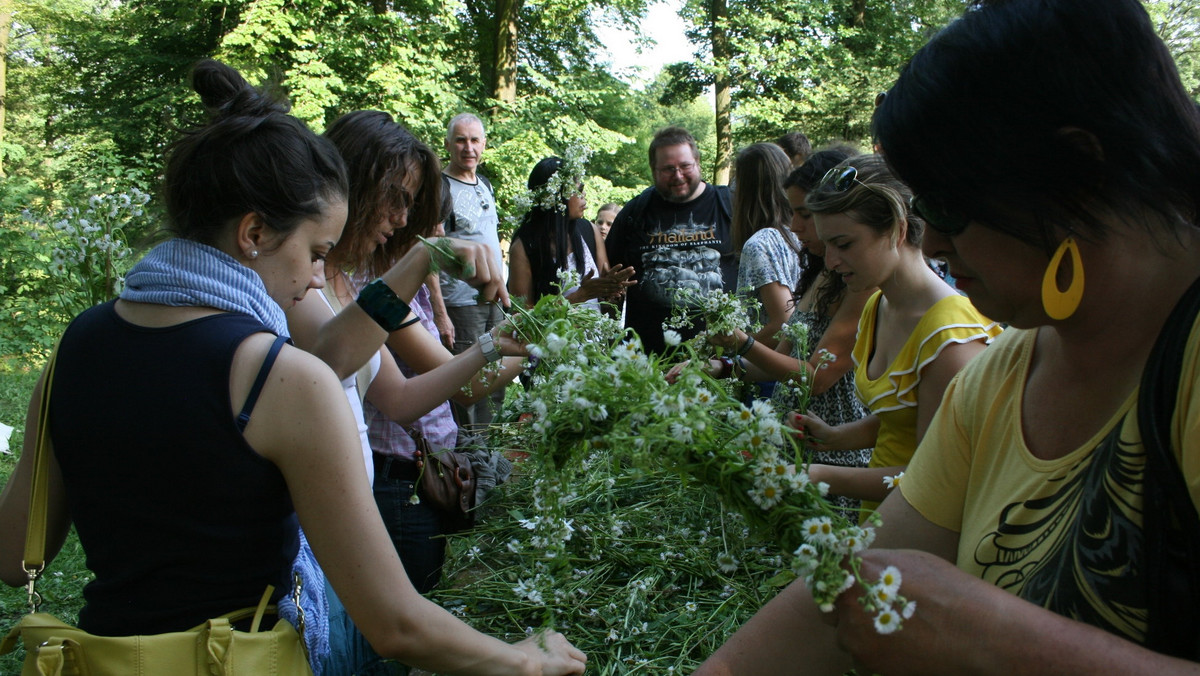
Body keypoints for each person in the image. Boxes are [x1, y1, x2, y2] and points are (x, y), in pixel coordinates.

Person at [0, 60, 586, 676]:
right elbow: (395, 623)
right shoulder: (278, 377)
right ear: (254, 231)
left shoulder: (75, 348)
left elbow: (14, 557)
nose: (314, 279)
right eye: (315, 253)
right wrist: (523, 662)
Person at [696, 0, 1200, 672]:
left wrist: (992, 638)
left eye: (951, 207)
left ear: (1078, 176)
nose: (931, 240)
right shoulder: (1001, 382)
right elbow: (854, 591)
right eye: (924, 208)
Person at [304, 110, 528, 594]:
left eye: (417, 209)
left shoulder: (347, 281)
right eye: (398, 202)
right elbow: (332, 361)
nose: (406, 221)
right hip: (384, 482)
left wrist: (499, 344)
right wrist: (424, 257)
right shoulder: (311, 281)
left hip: (379, 484)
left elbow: (400, 397)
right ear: (355, 185)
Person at [792, 154, 1001, 514]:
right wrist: (835, 436)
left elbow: (938, 478)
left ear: (897, 230)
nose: (830, 261)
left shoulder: (951, 339)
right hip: (883, 515)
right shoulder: (878, 305)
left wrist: (816, 474)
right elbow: (903, 415)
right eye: (826, 246)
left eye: (844, 244)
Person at [679, 148, 875, 519]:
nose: (795, 226)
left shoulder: (861, 285)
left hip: (836, 454)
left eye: (804, 214)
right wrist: (721, 365)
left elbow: (815, 378)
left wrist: (743, 342)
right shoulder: (822, 277)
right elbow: (779, 361)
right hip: (794, 445)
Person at [606, 126, 736, 354]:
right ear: (653, 170)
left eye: (685, 166)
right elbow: (608, 280)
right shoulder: (635, 213)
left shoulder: (730, 206)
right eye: (667, 169)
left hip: (720, 360)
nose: (678, 176)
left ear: (698, 162)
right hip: (650, 362)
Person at [438, 112, 508, 427]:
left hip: (495, 299)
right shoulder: (439, 186)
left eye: (475, 140)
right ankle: (468, 460)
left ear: (484, 144)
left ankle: (488, 452)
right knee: (468, 383)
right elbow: (430, 252)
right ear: (448, 144)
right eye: (461, 140)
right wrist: (439, 313)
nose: (469, 147)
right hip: (462, 303)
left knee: (495, 379)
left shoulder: (486, 183)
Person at [508, 156, 634, 308]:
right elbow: (521, 317)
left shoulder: (589, 231)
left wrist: (611, 291)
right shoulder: (525, 246)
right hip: (553, 332)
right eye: (578, 190)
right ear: (556, 196)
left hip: (594, 330)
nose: (584, 196)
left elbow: (604, 300)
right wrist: (580, 295)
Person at [730, 142, 802, 351]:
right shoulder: (801, 232)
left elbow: (783, 324)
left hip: (768, 368)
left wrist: (727, 349)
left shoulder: (761, 244)